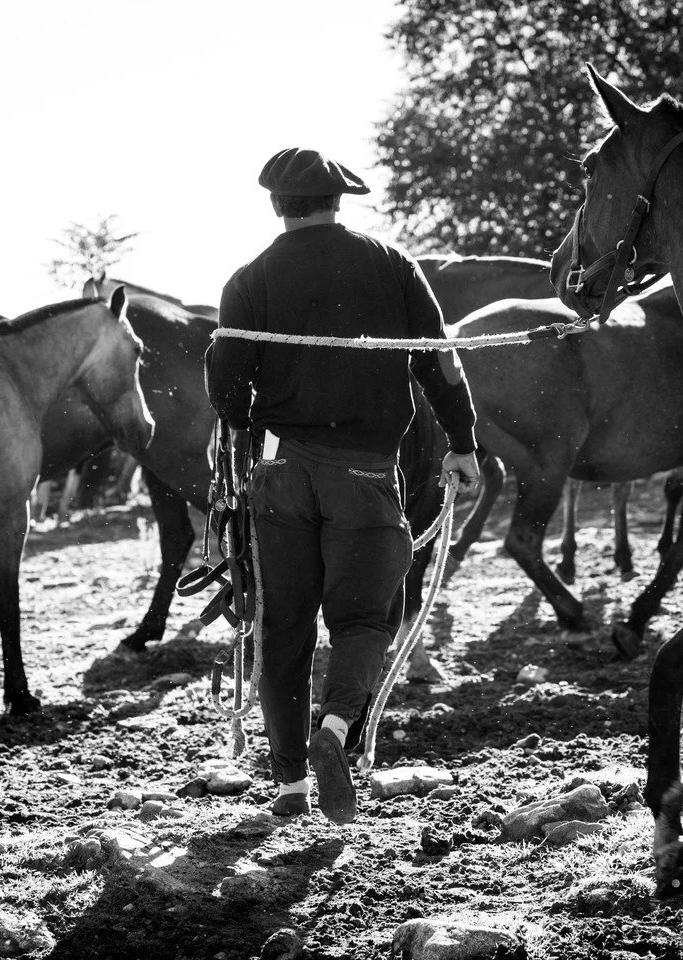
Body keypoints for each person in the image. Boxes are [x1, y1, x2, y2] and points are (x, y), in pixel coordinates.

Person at [205, 147, 481, 824]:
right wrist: (463, 442)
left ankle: (291, 785)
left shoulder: (250, 278)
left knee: (283, 626)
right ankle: (333, 733)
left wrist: (244, 439)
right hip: (364, 473)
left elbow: (223, 378)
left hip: (279, 477)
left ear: (276, 205)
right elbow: (438, 361)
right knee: (363, 618)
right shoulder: (391, 264)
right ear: (339, 201)